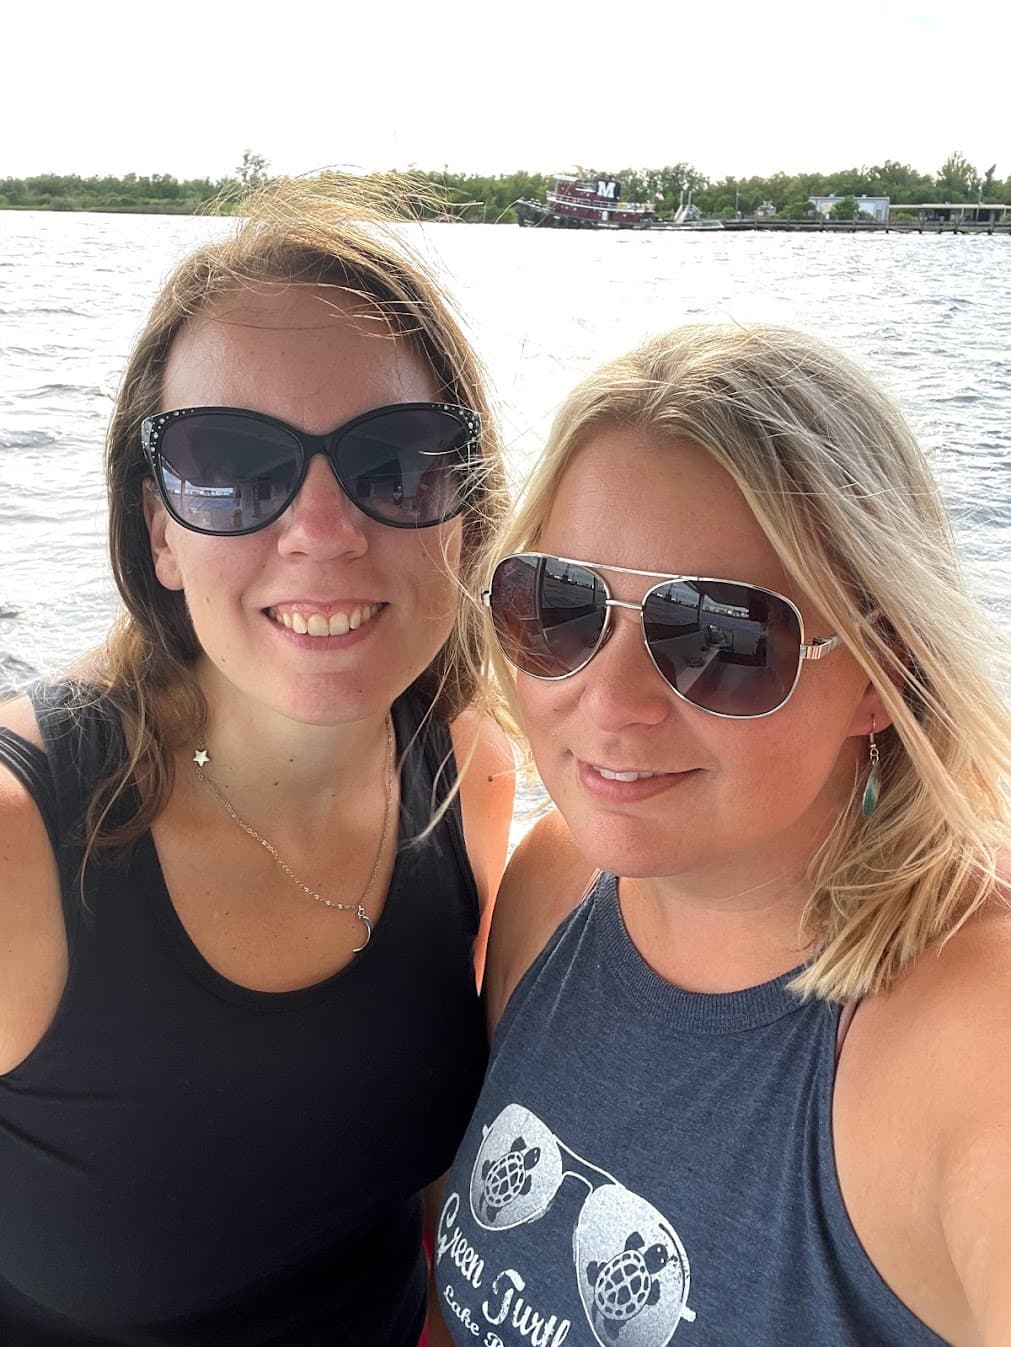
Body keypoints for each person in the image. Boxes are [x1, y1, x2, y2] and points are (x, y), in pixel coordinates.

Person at [0, 179, 514, 1345]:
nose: (324, 530)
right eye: (232, 463)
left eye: (396, 462)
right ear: (158, 532)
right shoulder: (20, 845)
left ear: (468, 513)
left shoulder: (468, 775)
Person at [433, 325, 1011, 1346]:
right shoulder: (553, 885)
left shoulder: (969, 1044)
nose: (607, 701)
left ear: (881, 674)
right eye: (558, 607)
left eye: (721, 637)